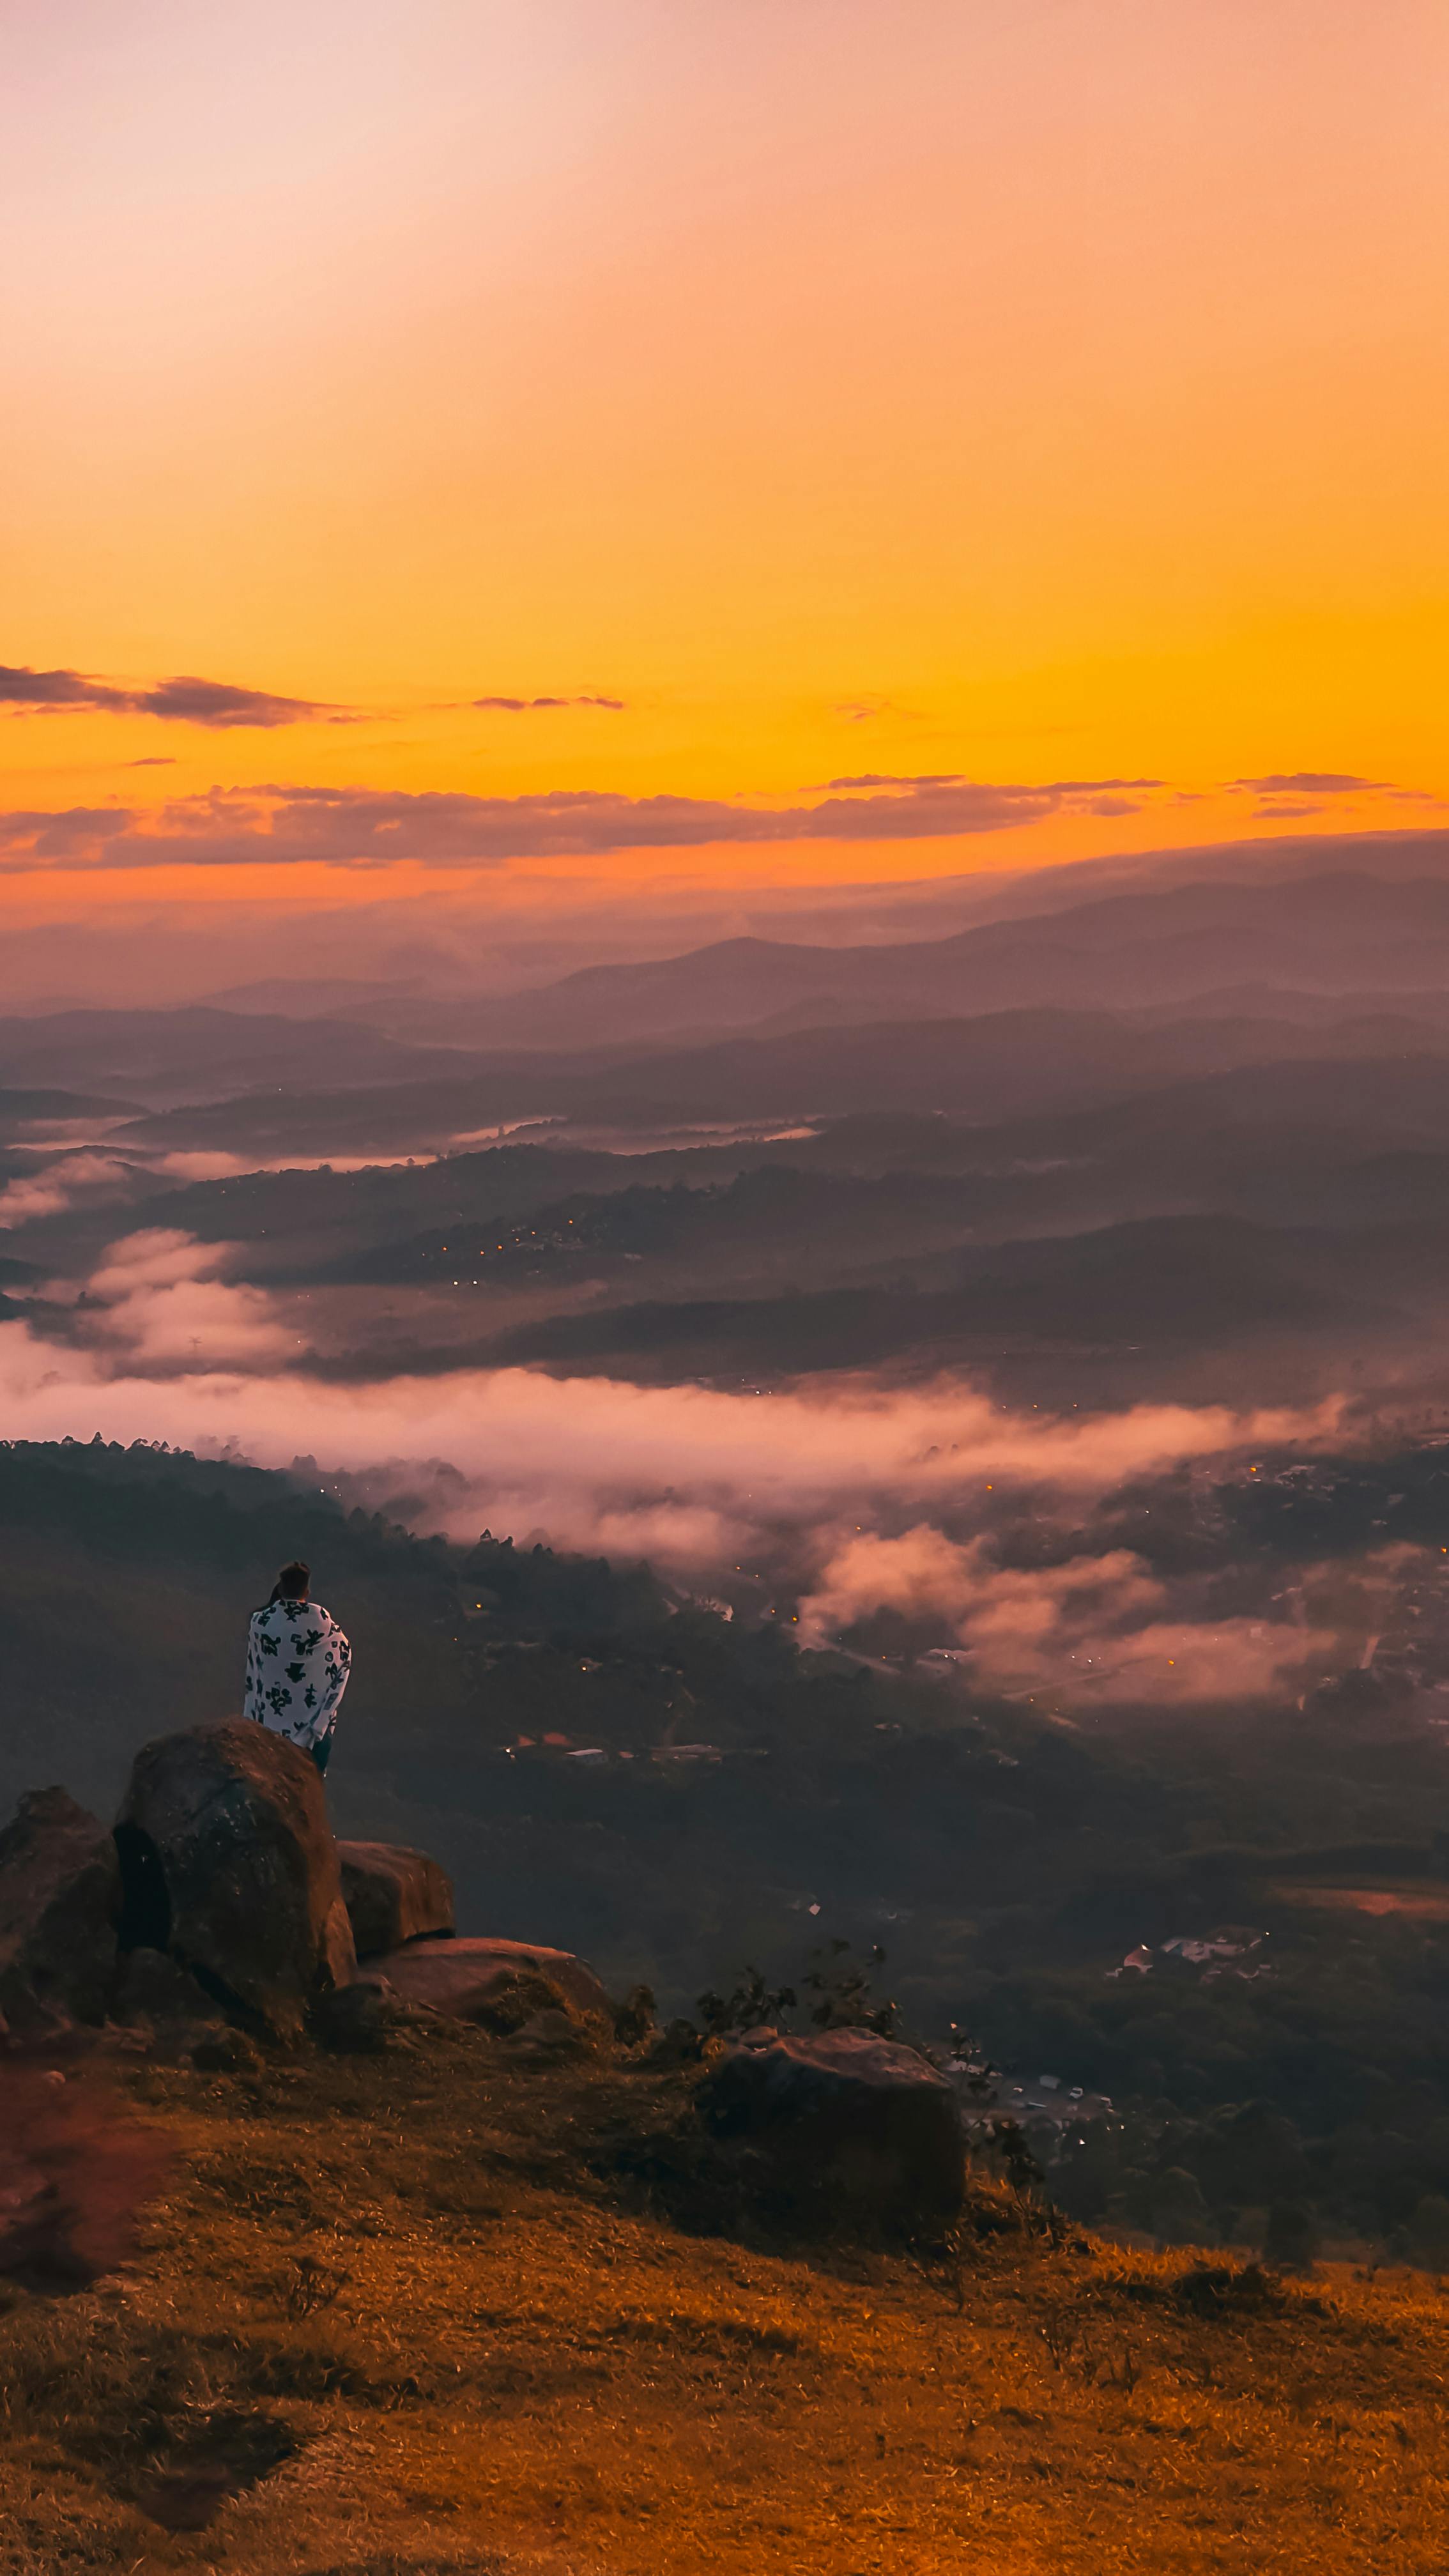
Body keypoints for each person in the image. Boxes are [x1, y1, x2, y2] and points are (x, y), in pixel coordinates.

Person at [243, 1560, 351, 1774]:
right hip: (312, 1731)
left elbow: (255, 1668)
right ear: (307, 1591)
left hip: (268, 1725)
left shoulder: (261, 1623)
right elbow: (344, 1656)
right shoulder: (323, 1623)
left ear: (281, 1588)